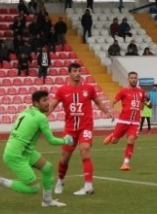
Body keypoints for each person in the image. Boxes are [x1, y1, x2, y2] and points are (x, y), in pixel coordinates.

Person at [0, 90, 74, 207]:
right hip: (16, 155)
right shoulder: (41, 117)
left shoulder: (26, 111)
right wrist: (66, 140)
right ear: (36, 103)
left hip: (24, 151)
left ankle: (47, 201)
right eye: (44, 100)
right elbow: (51, 140)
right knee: (33, 188)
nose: (48, 103)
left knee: (48, 168)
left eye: (48, 99)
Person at [48, 63, 113, 196]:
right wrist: (41, 117)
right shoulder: (62, 90)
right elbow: (52, 105)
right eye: (75, 71)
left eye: (79, 70)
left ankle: (88, 186)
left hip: (86, 126)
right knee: (65, 158)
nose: (78, 73)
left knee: (85, 150)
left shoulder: (89, 88)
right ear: (69, 73)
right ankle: (60, 180)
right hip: (70, 129)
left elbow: (98, 102)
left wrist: (107, 111)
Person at [103, 72, 148, 170]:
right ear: (128, 79)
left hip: (135, 122)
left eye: (135, 78)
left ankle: (126, 163)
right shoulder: (123, 91)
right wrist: (110, 112)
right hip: (123, 121)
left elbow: (142, 105)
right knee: (114, 141)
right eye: (131, 78)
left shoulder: (142, 92)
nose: (133, 79)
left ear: (137, 79)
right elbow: (113, 102)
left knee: (131, 140)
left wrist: (145, 104)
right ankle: (112, 135)